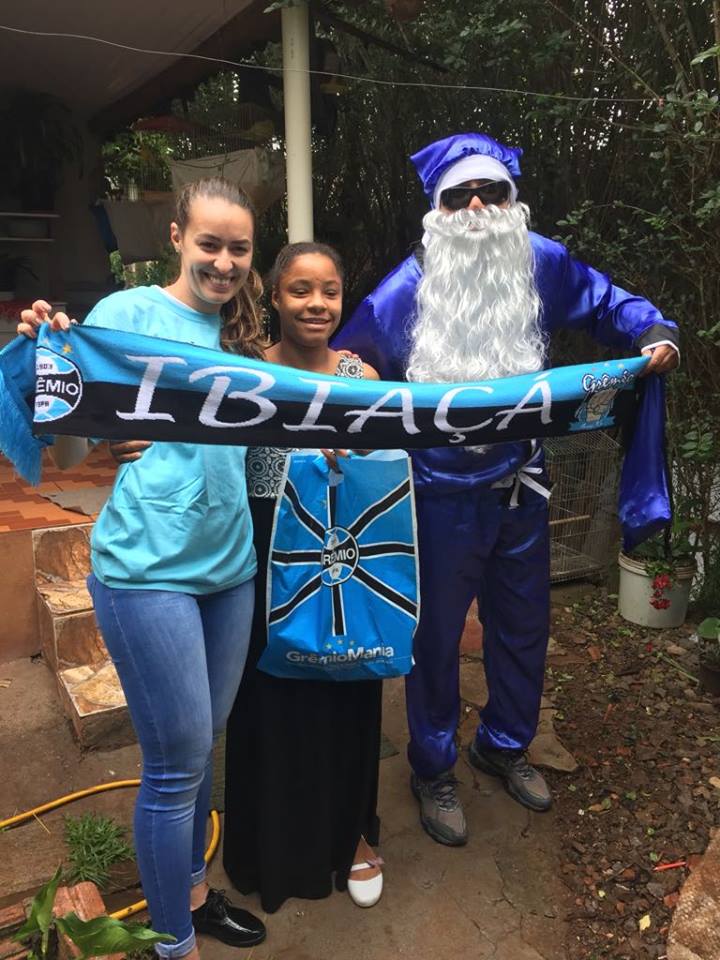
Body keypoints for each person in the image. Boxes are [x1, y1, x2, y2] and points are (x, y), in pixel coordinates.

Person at [333, 132, 679, 847]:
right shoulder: (406, 288)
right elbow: (352, 359)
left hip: (522, 487)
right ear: (438, 210)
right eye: (460, 196)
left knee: (524, 628)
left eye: (492, 192)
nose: (478, 207)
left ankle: (505, 744)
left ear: (513, 202)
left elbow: (610, 302)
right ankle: (432, 767)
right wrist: (350, 373)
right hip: (435, 497)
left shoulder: (541, 263)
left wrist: (653, 329)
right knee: (434, 640)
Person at [18, 178, 268, 958]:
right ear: (175, 238)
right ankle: (172, 947)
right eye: (210, 244)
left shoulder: (242, 328)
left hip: (230, 570)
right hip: (144, 570)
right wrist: (43, 355)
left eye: (238, 249)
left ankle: (191, 892)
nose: (223, 262)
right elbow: (62, 445)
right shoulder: (124, 316)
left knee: (205, 740)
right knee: (175, 761)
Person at [222, 242, 386, 911]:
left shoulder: (362, 376)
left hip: (339, 548)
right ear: (275, 297)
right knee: (270, 696)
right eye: (299, 290)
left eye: (329, 290)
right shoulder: (243, 374)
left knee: (346, 683)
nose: (315, 304)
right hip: (264, 549)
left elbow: (387, 472)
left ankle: (353, 837)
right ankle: (270, 846)